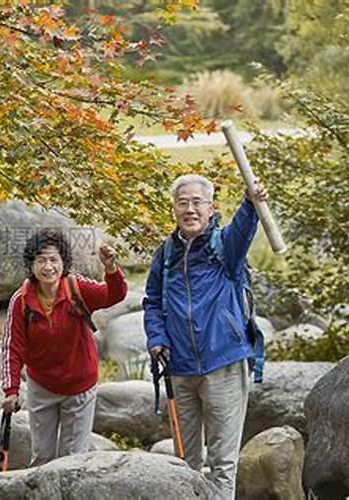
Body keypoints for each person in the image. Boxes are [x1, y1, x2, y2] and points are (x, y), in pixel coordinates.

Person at [143, 174, 268, 499]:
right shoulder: (166, 254)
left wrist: (249, 203)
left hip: (223, 365)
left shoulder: (225, 248)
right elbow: (153, 302)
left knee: (223, 463)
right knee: (186, 462)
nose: (190, 209)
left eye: (197, 202)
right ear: (174, 209)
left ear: (211, 208)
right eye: (183, 203)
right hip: (180, 369)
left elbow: (242, 230)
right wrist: (156, 338)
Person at [1, 228, 127, 467]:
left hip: (80, 384)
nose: (48, 267)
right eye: (41, 260)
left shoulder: (76, 288)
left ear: (63, 262)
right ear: (31, 265)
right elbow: (11, 347)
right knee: (42, 457)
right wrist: (11, 390)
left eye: (53, 260)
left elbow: (114, 295)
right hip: (42, 385)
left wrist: (111, 269)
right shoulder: (21, 300)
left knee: (73, 460)